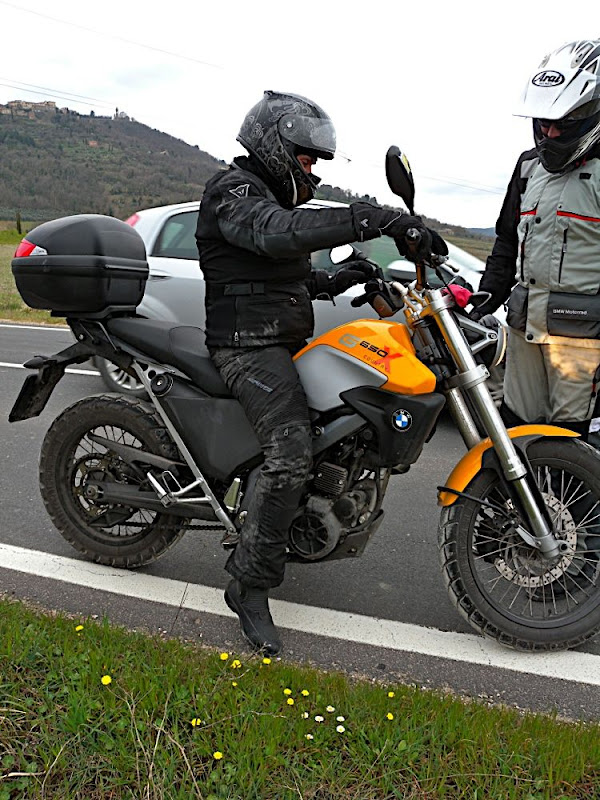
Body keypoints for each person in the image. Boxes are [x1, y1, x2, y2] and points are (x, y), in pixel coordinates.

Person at [195, 90, 447, 655]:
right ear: (274, 145)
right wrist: (372, 219)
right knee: (291, 453)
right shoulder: (233, 191)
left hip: (278, 340)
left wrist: (341, 278)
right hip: (246, 347)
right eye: (306, 157)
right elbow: (274, 233)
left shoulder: (266, 197)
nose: (312, 169)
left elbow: (274, 277)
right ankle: (248, 585)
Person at [472, 40, 600, 441]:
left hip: (583, 345)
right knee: (516, 434)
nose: (550, 132)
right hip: (524, 330)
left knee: (571, 446)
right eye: (543, 122)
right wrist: (483, 300)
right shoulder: (528, 166)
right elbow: (506, 243)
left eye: (562, 123)